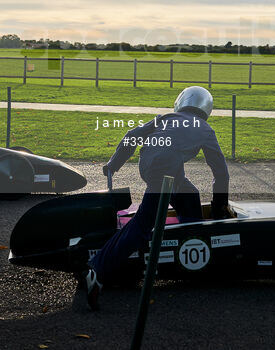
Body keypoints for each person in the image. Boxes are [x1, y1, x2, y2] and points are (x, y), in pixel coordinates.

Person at [81, 85, 230, 310]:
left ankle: (192, 254)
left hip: (152, 166)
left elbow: (132, 136)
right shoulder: (205, 129)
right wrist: (221, 205)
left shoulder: (167, 117)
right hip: (165, 170)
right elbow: (221, 172)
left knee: (190, 196)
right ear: (206, 108)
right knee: (143, 224)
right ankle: (97, 270)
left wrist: (114, 164)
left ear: (182, 102)